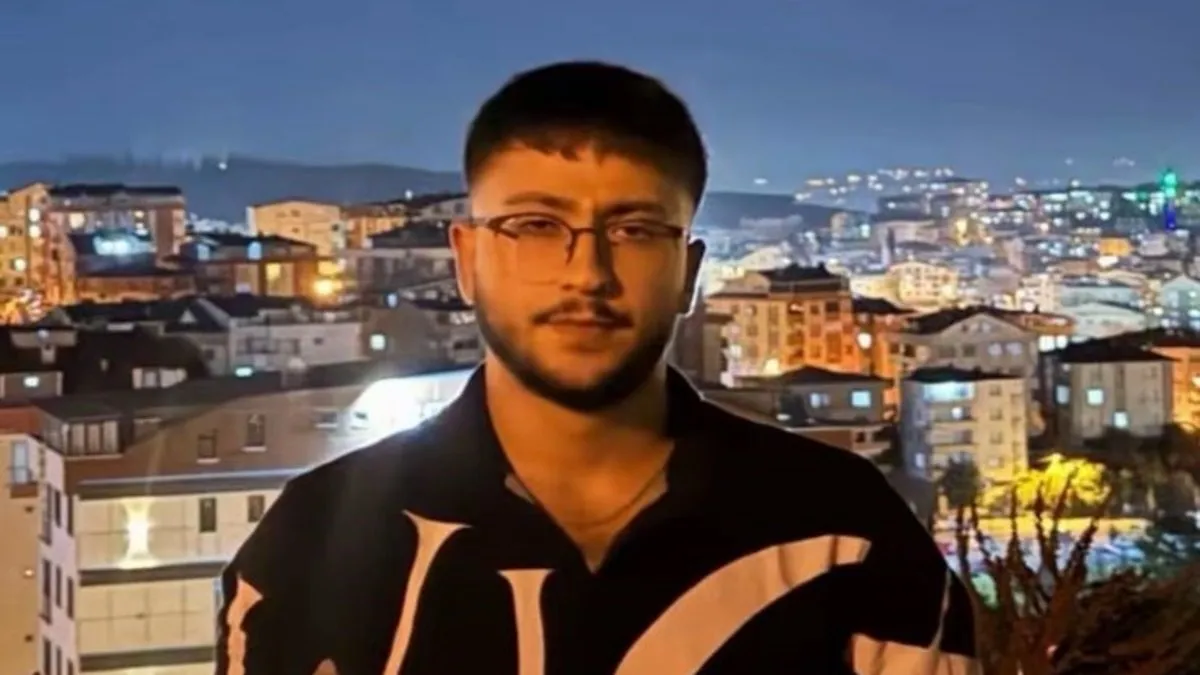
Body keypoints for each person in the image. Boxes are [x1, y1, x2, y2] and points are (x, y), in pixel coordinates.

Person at [216, 61, 979, 675]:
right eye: (535, 225)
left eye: (635, 229)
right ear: (467, 260)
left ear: (688, 273)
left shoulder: (843, 532)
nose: (587, 272)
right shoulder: (316, 541)